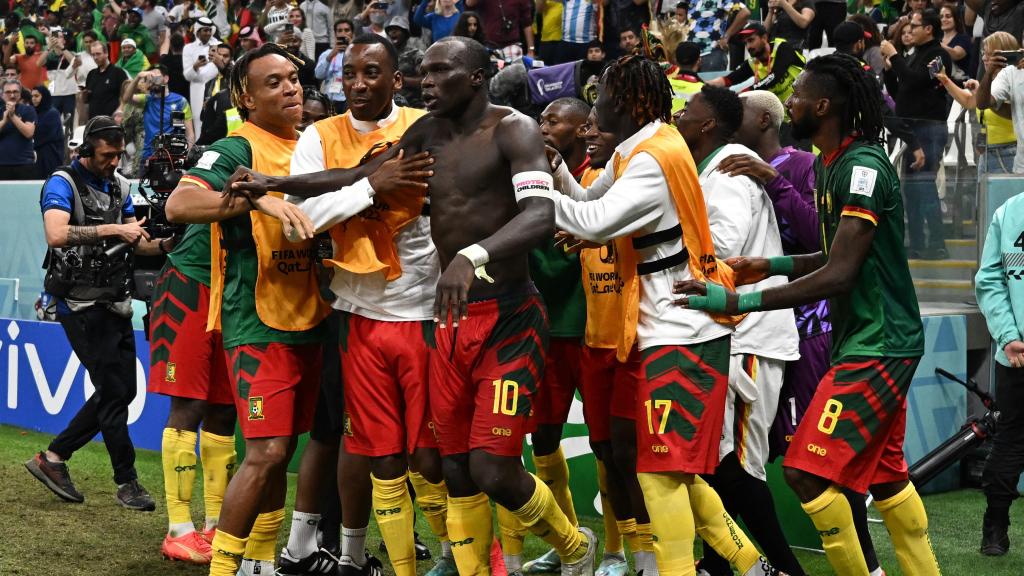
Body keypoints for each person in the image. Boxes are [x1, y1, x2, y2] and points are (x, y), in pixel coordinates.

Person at [674, 53, 942, 576]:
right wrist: (768, 264)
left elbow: (840, 273)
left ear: (822, 105)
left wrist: (739, 300)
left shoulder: (862, 168)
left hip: (880, 342)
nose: (789, 101)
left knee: (805, 473)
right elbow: (829, 252)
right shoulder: (828, 163)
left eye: (796, 94)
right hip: (864, 338)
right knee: (885, 476)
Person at [549, 54, 777, 576]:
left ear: (625, 100)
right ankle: (753, 568)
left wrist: (531, 189)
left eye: (601, 92)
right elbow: (590, 201)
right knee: (679, 475)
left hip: (683, 328)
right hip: (663, 326)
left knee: (659, 473)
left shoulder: (653, 156)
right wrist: (557, 170)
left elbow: (599, 221)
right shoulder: (640, 148)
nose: (594, 103)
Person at [164, 43, 331, 576]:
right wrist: (255, 199)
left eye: (294, 79)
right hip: (257, 326)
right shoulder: (236, 148)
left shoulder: (315, 147)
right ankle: (218, 557)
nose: (291, 89)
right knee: (266, 451)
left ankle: (261, 562)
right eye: (275, 82)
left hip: (316, 321)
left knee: (281, 454)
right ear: (246, 97)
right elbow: (179, 205)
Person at [724, 89, 887, 576]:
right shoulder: (727, 166)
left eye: (744, 113)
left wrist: (774, 183)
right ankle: (722, 558)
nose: (734, 119)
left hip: (808, 327)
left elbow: (825, 237)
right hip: (759, 328)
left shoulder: (801, 165)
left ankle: (867, 564)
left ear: (766, 120)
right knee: (739, 456)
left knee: (815, 458)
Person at [673, 85, 803, 576]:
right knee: (715, 458)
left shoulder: (728, 170)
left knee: (738, 462)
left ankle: (785, 569)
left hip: (747, 332)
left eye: (689, 111)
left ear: (708, 125)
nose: (680, 116)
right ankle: (720, 565)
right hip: (730, 329)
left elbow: (720, 250)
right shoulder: (713, 168)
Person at [27, 116, 158, 512]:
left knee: (122, 390)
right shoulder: (61, 183)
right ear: (86, 150)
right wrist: (114, 230)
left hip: (115, 301)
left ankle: (53, 458)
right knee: (115, 392)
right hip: (79, 304)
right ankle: (127, 482)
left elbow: (139, 240)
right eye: (106, 155)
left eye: (119, 155)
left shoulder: (120, 185)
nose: (113, 162)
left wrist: (167, 240)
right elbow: (56, 233)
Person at [496, 97, 592, 576]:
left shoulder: (601, 177)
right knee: (544, 438)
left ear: (583, 127)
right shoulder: (521, 178)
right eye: (541, 120)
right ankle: (569, 538)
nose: (544, 127)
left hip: (592, 327)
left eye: (555, 120)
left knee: (611, 446)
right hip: (540, 327)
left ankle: (618, 551)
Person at [570, 105, 655, 576]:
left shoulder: (644, 186)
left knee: (633, 456)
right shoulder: (587, 189)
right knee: (606, 454)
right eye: (587, 128)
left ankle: (649, 552)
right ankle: (623, 552)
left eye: (599, 127)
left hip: (635, 344)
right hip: (593, 343)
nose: (590, 134)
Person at [148, 215, 238, 565]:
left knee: (225, 407)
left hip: (232, 288)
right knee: (190, 404)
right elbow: (179, 204)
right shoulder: (231, 162)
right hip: (190, 283)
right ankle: (179, 529)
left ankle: (216, 524)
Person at [975, 190, 1024, 557]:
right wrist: (1009, 337)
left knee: (1009, 440)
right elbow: (990, 279)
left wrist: (1008, 338)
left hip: (1015, 353)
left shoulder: (1008, 211)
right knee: (1009, 441)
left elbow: (990, 281)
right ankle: (995, 526)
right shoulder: (1008, 212)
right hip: (1017, 356)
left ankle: (995, 530)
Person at [880, 8, 951, 259]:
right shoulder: (916, 54)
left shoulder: (940, 55)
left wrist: (895, 56)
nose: (910, 30)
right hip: (912, 129)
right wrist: (889, 70)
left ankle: (937, 244)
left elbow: (916, 80)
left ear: (929, 29)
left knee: (925, 186)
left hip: (929, 128)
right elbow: (901, 92)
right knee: (911, 190)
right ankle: (919, 243)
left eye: (915, 26)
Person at [940, 31, 1019, 174]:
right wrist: (945, 79)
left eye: (989, 54)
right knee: (986, 196)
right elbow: (970, 102)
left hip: (1009, 151)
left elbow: (989, 104)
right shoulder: (991, 83)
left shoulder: (1015, 80)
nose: (984, 58)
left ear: (1004, 55)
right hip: (987, 152)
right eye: (983, 53)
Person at [709, 22, 805, 121]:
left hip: (807, 109)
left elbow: (775, 76)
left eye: (751, 40)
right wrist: (704, 86)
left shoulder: (782, 47)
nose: (748, 46)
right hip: (786, 119)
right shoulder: (752, 63)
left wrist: (740, 95)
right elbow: (729, 79)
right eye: (745, 43)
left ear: (764, 38)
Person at [976, 30, 1024, 174]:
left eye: (989, 54)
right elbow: (984, 103)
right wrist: (989, 74)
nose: (985, 58)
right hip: (1020, 162)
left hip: (1006, 149)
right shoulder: (1010, 71)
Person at [127, 65, 194, 165]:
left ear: (166, 78)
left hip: (172, 156)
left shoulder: (180, 101)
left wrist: (187, 156)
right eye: (151, 77)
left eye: (156, 76)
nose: (154, 80)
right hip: (148, 155)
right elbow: (127, 97)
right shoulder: (147, 99)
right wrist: (138, 77)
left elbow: (190, 134)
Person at [685, 0, 751, 71]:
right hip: (690, 55)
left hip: (711, 52)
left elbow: (744, 13)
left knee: (711, 82)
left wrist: (726, 36)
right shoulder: (692, 1)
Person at [183, 17, 219, 136]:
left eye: (209, 30)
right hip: (196, 89)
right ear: (198, 31)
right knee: (198, 119)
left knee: (216, 117)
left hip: (215, 86)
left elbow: (220, 68)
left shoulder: (219, 45)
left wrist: (199, 74)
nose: (208, 33)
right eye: (205, 30)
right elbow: (187, 76)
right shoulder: (188, 48)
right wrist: (195, 66)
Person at [464, 0, 536, 59]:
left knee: (515, 75)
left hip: (512, 45)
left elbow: (527, 24)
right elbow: (469, 4)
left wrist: (531, 51)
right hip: (488, 46)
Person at [315, 19, 354, 114]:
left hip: (348, 99)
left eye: (346, 30)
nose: (343, 33)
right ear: (335, 34)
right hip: (330, 99)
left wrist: (351, 48)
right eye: (339, 31)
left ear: (352, 33)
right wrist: (332, 55)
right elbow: (318, 75)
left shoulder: (356, 53)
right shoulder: (327, 54)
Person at [0, 79, 37, 179]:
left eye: (15, 92)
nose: (12, 95)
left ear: (20, 94)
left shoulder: (29, 110)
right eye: (8, 92)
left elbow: (29, 133)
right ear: (2, 95)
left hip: (24, 163)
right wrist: (4, 121)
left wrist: (12, 116)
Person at [386, 16, 424, 108]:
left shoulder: (416, 54)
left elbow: (426, 80)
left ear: (405, 33)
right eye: (390, 30)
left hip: (414, 105)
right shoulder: (385, 55)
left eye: (397, 30)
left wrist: (404, 80)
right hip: (391, 106)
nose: (392, 32)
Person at [44, 30, 79, 123]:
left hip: (69, 94)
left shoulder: (72, 53)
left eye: (60, 37)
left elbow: (74, 61)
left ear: (64, 41)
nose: (57, 39)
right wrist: (48, 48)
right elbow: (38, 63)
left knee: (69, 123)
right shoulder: (48, 55)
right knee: (52, 122)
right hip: (53, 94)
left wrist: (63, 49)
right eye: (55, 37)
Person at [31, 85, 63, 178]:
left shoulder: (52, 113)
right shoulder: (34, 112)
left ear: (44, 96)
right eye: (32, 96)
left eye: (37, 96)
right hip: (37, 154)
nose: (34, 99)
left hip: (50, 154)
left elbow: (43, 134)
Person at [938, 3, 971, 79]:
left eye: (948, 16)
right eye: (941, 17)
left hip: (960, 83)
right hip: (941, 82)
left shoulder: (963, 38)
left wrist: (936, 44)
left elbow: (956, 55)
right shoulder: (938, 39)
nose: (944, 19)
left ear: (956, 19)